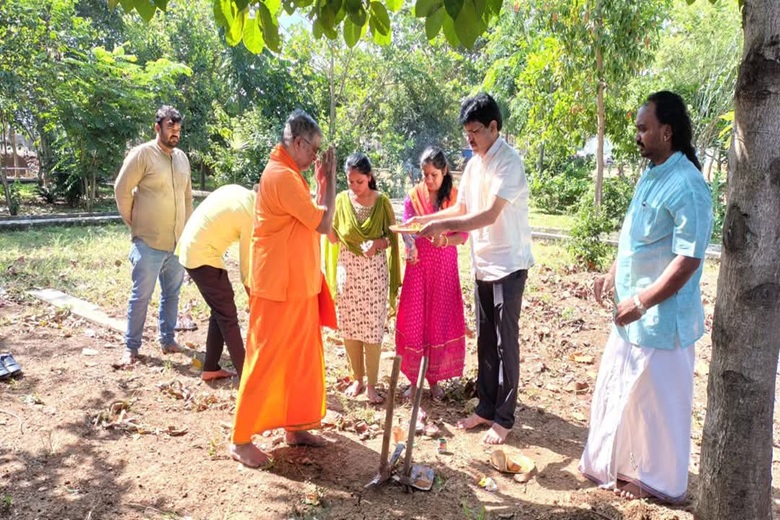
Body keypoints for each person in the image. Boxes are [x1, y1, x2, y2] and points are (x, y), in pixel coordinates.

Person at [579, 91, 713, 503]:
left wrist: (642, 302)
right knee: (621, 395)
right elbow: (637, 238)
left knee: (660, 410)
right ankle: (622, 470)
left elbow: (687, 260)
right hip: (630, 319)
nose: (636, 136)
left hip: (661, 323)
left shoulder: (688, 184)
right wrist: (613, 273)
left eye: (643, 128)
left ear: (666, 132)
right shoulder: (651, 172)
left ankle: (663, 487)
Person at [411, 93, 534, 445]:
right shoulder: (476, 163)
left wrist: (438, 229)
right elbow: (462, 206)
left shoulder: (509, 163)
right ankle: (485, 405)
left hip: (508, 264)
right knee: (484, 338)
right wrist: (429, 218)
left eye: (476, 131)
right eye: (467, 132)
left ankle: (505, 417)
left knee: (503, 341)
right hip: (483, 264)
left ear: (494, 127)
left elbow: (489, 215)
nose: (470, 138)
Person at [230, 109, 337, 468]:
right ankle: (241, 438)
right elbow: (323, 222)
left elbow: (313, 213)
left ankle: (297, 425)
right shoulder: (281, 176)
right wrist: (332, 179)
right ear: (298, 142)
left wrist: (322, 181)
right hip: (277, 287)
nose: (316, 157)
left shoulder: (292, 174)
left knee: (301, 360)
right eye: (314, 150)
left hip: (298, 285)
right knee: (265, 359)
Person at [114, 105, 193, 367]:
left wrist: (188, 232)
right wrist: (134, 221)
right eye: (170, 128)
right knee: (141, 297)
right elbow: (122, 190)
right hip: (148, 242)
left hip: (176, 244)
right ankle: (131, 347)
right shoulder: (143, 155)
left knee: (172, 294)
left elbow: (186, 197)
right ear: (157, 127)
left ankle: (168, 339)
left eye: (178, 129)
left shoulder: (182, 158)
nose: (175, 134)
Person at [323, 153, 400, 404]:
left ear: (369, 177)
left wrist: (377, 243)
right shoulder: (341, 200)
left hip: (374, 275)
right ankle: (357, 378)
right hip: (349, 272)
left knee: (372, 328)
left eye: (359, 182)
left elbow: (392, 238)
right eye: (350, 182)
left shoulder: (382, 202)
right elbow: (333, 235)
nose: (355, 187)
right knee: (350, 325)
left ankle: (372, 385)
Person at [395, 146, 467, 404]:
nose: (428, 180)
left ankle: (434, 381)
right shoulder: (413, 197)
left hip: (444, 269)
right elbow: (406, 228)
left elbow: (464, 235)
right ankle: (413, 382)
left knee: (438, 323)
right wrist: (410, 244)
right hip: (418, 266)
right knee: (415, 322)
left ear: (444, 171)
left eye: (433, 175)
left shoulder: (456, 200)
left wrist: (444, 242)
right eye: (425, 174)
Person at [176, 184, 255, 381]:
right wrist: (254, 300)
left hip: (191, 247)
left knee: (220, 309)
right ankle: (247, 377)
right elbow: (246, 268)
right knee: (228, 315)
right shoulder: (251, 216)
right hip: (202, 255)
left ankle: (211, 367)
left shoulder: (239, 191)